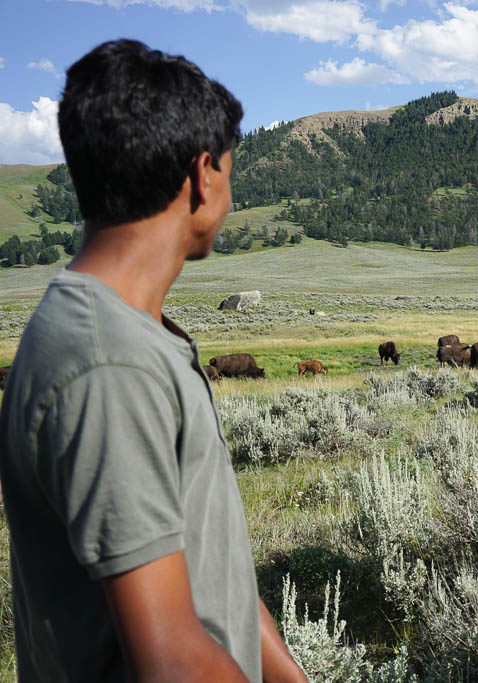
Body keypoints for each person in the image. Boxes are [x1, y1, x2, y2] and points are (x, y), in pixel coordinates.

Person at [0, 40, 307, 682]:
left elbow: (212, 577)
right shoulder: (109, 365)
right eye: (231, 168)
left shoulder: (128, 336)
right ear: (202, 175)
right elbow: (172, 662)